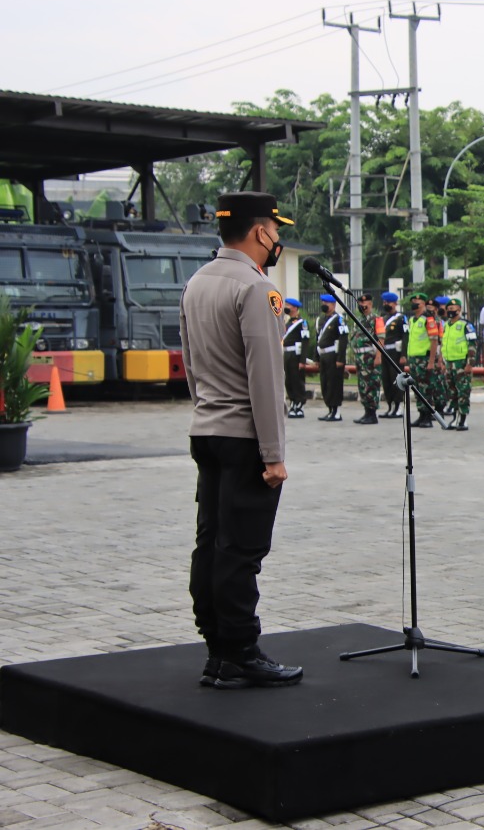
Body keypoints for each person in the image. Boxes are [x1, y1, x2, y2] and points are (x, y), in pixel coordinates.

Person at [178, 191, 302, 689]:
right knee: (241, 550)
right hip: (244, 436)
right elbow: (266, 378)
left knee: (210, 542)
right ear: (260, 232)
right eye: (276, 229)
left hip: (206, 428)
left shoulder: (197, 281)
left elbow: (190, 363)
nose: (278, 239)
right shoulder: (256, 288)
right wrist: (272, 455)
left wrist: (206, 409)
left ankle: (216, 646)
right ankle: (240, 652)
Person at [441, 298, 476, 431]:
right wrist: (443, 362)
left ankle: (463, 419)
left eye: (453, 309)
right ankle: (455, 417)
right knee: (452, 392)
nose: (451, 311)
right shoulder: (446, 325)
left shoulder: (466, 325)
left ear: (459, 310)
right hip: (449, 363)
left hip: (461, 362)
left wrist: (470, 364)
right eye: (449, 309)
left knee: (463, 391)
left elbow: (472, 345)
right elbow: (444, 344)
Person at [349, 292, 384, 426]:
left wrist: (379, 356)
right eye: (360, 303)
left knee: (372, 385)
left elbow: (381, 338)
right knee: (363, 386)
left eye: (365, 303)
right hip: (361, 358)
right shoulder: (360, 320)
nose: (362, 305)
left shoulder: (377, 319)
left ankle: (372, 413)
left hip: (371, 357)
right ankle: (367, 412)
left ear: (370, 304)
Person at [404, 293, 436, 429]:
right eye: (413, 301)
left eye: (417, 301)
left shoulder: (428, 319)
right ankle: (421, 414)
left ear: (423, 303)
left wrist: (431, 361)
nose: (414, 303)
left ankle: (428, 416)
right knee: (417, 388)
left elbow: (434, 341)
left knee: (426, 388)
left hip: (424, 358)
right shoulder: (412, 320)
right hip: (413, 359)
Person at [314, 293, 347, 422]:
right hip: (323, 356)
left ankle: (336, 411)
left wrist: (340, 359)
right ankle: (330, 409)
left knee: (335, 384)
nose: (324, 305)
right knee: (325, 383)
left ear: (333, 305)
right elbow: (317, 340)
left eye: (326, 303)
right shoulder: (320, 320)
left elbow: (343, 340)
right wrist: (316, 358)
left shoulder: (339, 319)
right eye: (322, 303)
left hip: (334, 356)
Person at [380, 292, 407, 419]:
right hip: (385, 352)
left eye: (388, 302)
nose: (386, 305)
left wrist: (403, 355)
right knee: (386, 380)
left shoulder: (401, 318)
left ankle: (398, 406)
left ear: (395, 303)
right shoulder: (382, 318)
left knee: (396, 379)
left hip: (396, 353)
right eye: (384, 302)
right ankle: (390, 406)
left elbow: (405, 336)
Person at [281, 297, 308, 418]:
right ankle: (293, 402)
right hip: (287, 355)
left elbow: (305, 341)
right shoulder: (287, 322)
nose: (286, 307)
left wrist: (302, 360)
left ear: (295, 308)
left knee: (297, 380)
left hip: (296, 355)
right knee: (289, 381)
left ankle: (300, 404)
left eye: (288, 305)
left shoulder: (302, 323)